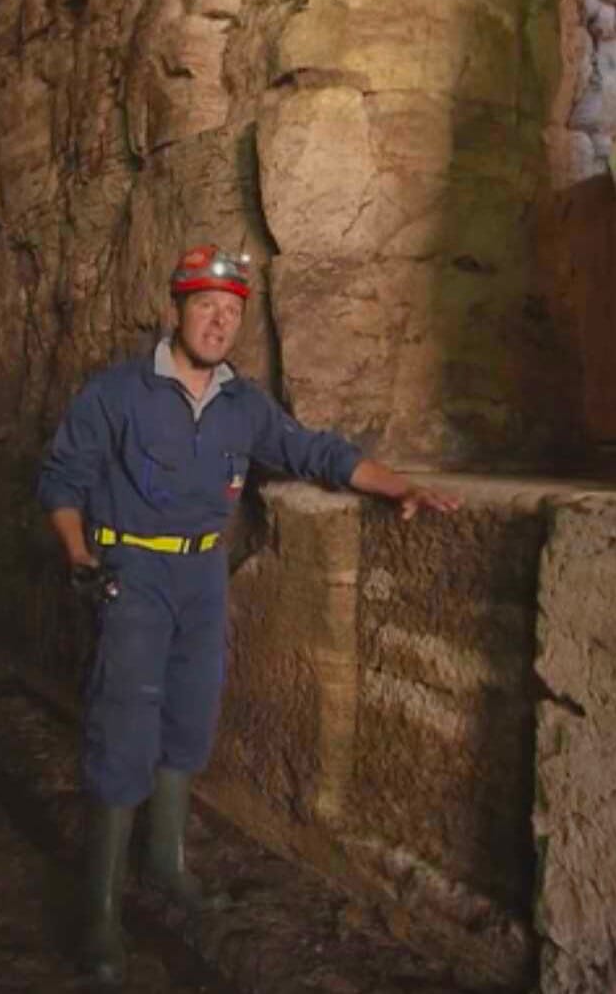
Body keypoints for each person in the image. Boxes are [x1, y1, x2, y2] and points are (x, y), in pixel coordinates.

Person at [35, 244, 462, 984]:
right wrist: (78, 556)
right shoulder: (119, 392)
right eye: (205, 305)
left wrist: (398, 486)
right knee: (124, 723)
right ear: (178, 309)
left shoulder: (243, 404)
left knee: (191, 715)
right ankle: (100, 912)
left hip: (203, 571)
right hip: (132, 569)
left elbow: (313, 452)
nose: (218, 321)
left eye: (231, 311)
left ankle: (165, 863)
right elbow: (62, 476)